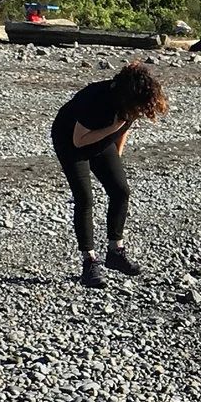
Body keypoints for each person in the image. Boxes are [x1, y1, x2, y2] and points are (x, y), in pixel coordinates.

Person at [53, 63, 168, 288]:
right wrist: (113, 127)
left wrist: (115, 159)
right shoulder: (96, 98)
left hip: (102, 137)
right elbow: (79, 140)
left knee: (120, 190)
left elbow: (123, 129)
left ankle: (115, 252)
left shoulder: (132, 102)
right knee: (85, 198)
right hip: (71, 141)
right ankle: (89, 263)